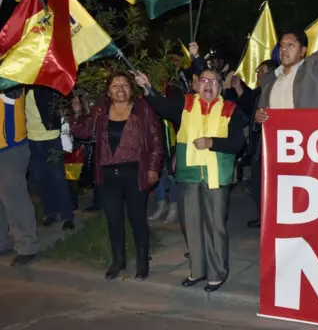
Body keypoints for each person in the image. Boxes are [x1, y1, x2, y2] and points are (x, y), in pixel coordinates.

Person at [135, 68, 246, 292]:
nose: (208, 85)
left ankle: (217, 273)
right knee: (191, 224)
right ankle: (198, 270)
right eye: (203, 80)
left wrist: (212, 143)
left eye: (213, 81)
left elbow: (238, 143)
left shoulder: (231, 109)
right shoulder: (185, 104)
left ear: (220, 85)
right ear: (196, 84)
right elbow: (161, 106)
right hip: (189, 175)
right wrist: (147, 87)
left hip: (216, 176)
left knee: (215, 225)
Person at [252, 0, 318, 229]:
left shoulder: (313, 68)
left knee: (314, 208)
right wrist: (258, 117)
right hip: (280, 156)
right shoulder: (269, 80)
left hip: (312, 152)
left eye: (290, 45)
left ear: (303, 50)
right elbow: (261, 112)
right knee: (285, 208)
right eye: (282, 46)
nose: (284, 49)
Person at [70, 73, 164, 281]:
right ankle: (118, 260)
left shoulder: (143, 109)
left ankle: (142, 262)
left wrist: (153, 169)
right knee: (114, 220)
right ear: (108, 90)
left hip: (135, 173)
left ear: (132, 89)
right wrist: (76, 114)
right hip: (107, 175)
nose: (120, 89)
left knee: (138, 219)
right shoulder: (101, 111)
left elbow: (156, 141)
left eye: (124, 85)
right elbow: (84, 131)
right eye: (115, 85)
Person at [0, 87, 41, 267]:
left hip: (11, 148)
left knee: (15, 198)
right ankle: (2, 243)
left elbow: (13, 93)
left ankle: (28, 246)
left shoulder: (11, 77)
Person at [25, 86, 75, 230]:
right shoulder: (21, 89)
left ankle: (67, 216)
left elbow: (63, 100)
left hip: (51, 138)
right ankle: (50, 213)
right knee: (39, 177)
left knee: (58, 177)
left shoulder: (47, 85)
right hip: (31, 139)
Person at [239, 60, 278, 229]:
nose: (258, 75)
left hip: (273, 147)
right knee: (255, 184)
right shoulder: (258, 93)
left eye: (261, 71)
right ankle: (263, 216)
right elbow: (246, 109)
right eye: (258, 72)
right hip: (258, 147)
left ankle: (270, 219)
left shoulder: (277, 91)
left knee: (264, 185)